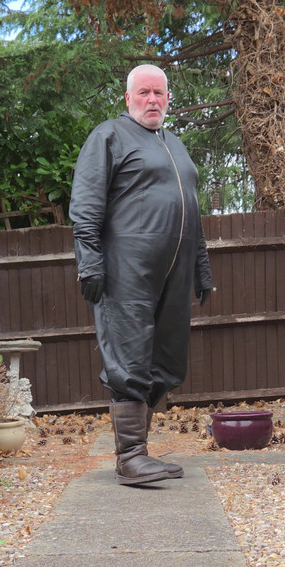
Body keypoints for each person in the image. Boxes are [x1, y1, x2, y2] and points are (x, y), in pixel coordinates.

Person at [69, 64, 212, 485]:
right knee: (129, 356)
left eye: (159, 93)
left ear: (169, 99)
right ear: (128, 98)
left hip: (175, 271)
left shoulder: (175, 145)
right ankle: (130, 456)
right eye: (144, 93)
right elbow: (86, 206)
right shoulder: (108, 137)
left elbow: (193, 212)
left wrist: (202, 270)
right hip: (125, 270)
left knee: (166, 359)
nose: (152, 100)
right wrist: (89, 263)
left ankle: (142, 452)